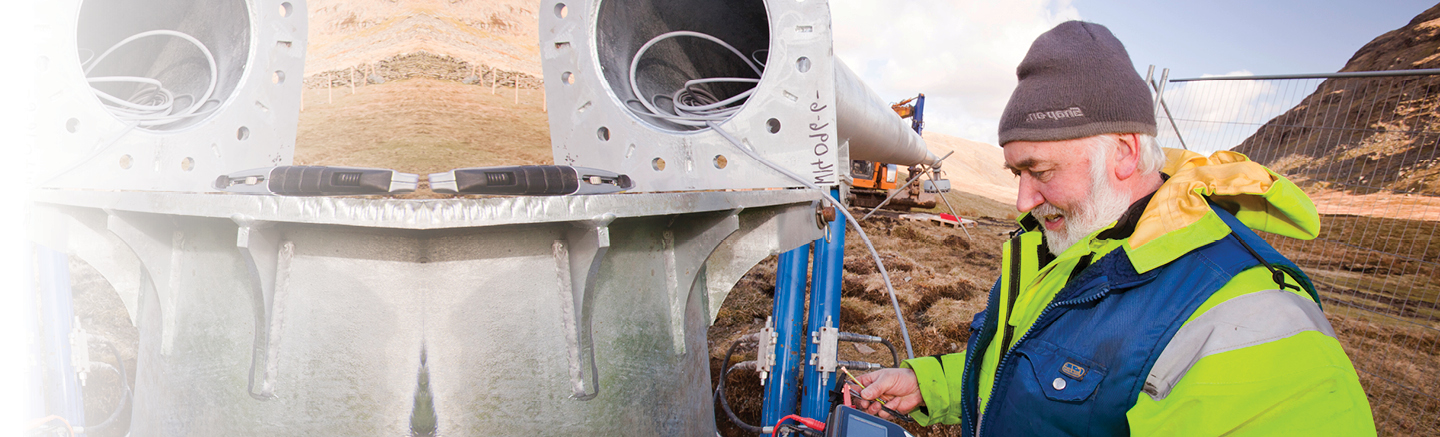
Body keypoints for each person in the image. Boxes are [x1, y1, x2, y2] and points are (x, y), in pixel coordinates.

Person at [854, 21, 1376, 436]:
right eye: (1017, 173)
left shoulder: (1250, 326)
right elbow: (1027, 368)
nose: (1023, 201)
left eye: (1040, 171)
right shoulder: (1063, 246)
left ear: (1123, 152)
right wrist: (930, 385)